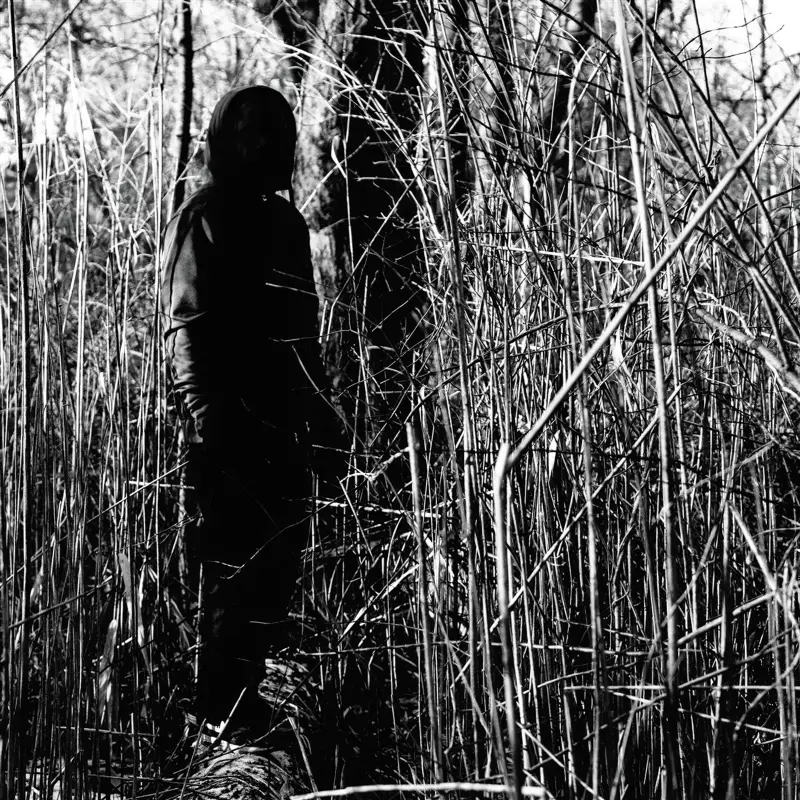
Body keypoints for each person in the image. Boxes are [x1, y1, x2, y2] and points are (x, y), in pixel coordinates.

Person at [160, 85, 329, 748]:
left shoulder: (287, 225)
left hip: (283, 428)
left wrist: (323, 415)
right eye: (257, 133)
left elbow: (303, 335)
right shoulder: (203, 216)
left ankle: (246, 701)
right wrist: (211, 423)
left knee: (275, 569)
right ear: (230, 140)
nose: (271, 146)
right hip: (228, 428)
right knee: (229, 569)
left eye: (279, 133)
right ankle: (220, 715)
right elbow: (188, 329)